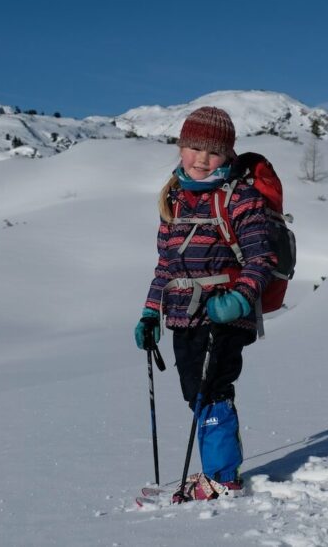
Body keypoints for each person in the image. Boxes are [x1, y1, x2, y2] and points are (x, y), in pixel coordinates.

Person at [134, 106, 278, 500]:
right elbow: (166, 265)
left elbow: (262, 259)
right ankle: (217, 468)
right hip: (182, 315)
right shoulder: (175, 200)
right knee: (193, 392)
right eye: (194, 147)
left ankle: (222, 476)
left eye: (212, 151)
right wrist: (151, 312)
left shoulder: (241, 199)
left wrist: (239, 299)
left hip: (225, 314)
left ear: (228, 155)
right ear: (181, 148)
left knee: (211, 389)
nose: (202, 158)